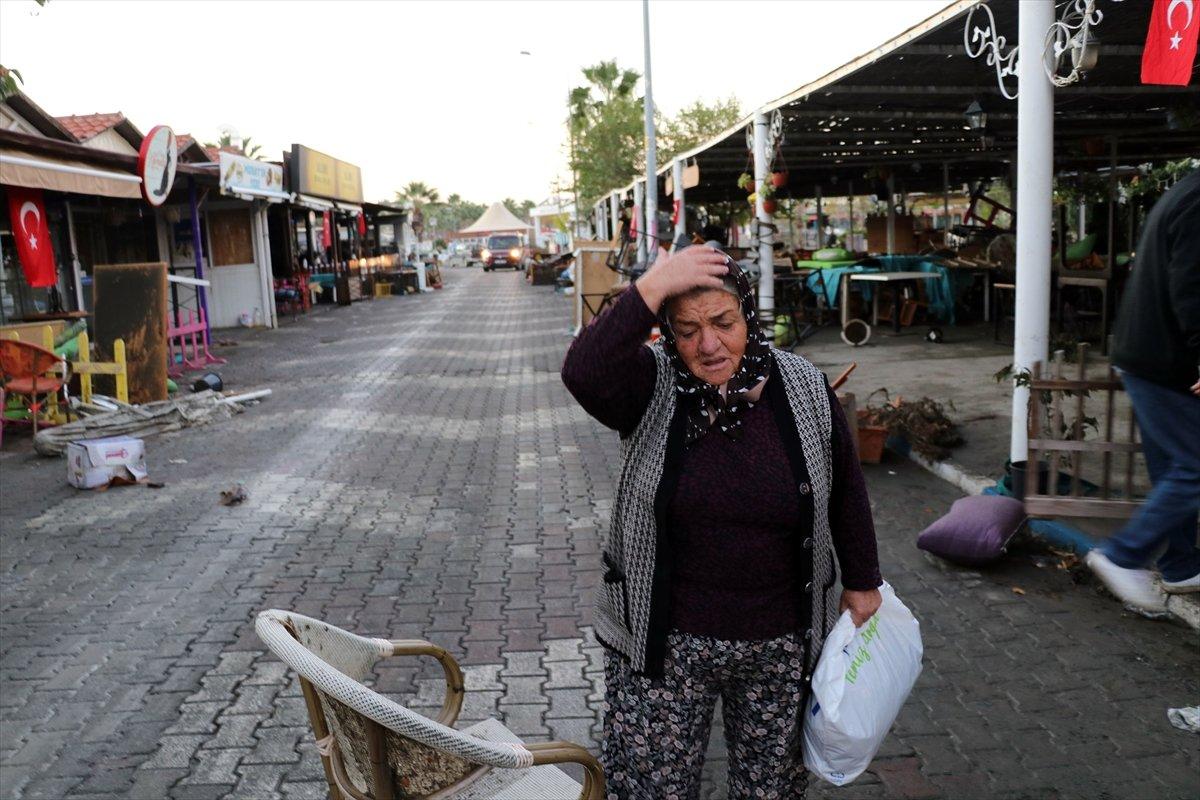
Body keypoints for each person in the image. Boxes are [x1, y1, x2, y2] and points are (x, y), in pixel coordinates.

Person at [561, 245, 883, 799]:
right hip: (663, 644)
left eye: (723, 323)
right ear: (667, 333)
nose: (708, 345)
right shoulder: (648, 385)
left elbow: (844, 485)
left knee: (770, 790)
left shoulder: (803, 387)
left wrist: (861, 579)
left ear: (749, 316)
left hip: (779, 642)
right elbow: (584, 370)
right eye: (686, 330)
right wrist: (652, 286)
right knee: (650, 789)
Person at [1087, 169, 1200, 612]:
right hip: (1165, 358)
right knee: (1194, 467)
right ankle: (1122, 555)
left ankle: (1181, 565)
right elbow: (1192, 284)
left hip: (1147, 354)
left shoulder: (1186, 190)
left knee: (1176, 466)